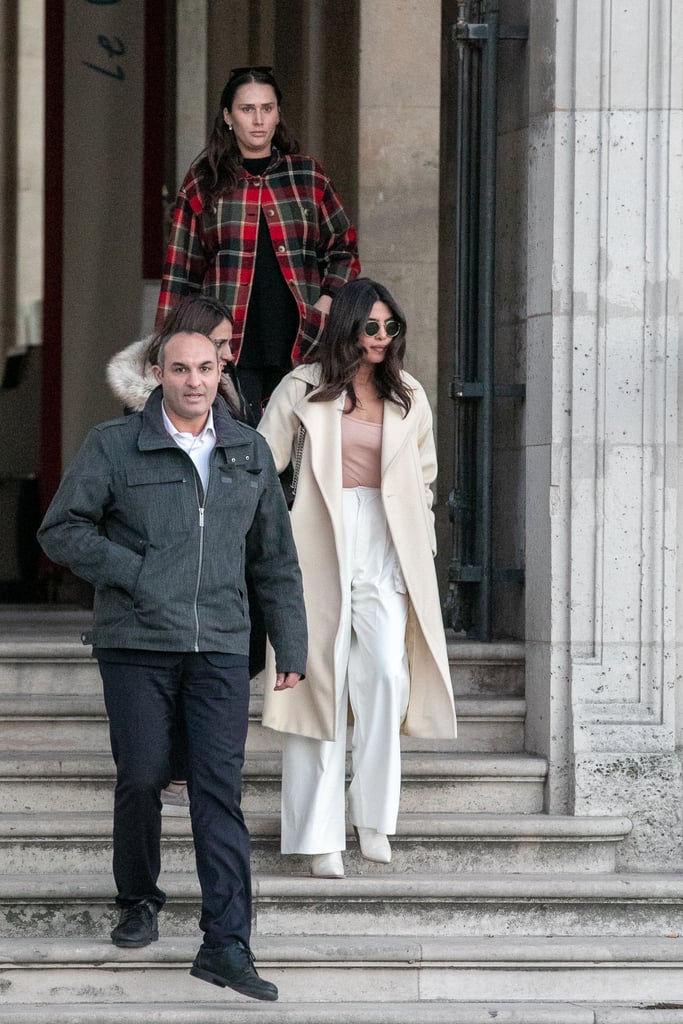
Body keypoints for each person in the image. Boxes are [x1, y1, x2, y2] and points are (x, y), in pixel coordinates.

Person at [38, 325, 307, 1001]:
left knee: (219, 790)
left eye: (206, 369)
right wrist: (134, 570)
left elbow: (275, 559)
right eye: (181, 369)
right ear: (158, 373)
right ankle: (138, 897)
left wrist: (291, 646)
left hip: (219, 644)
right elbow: (61, 528)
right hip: (135, 644)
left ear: (222, 373)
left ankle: (227, 944)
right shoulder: (114, 444)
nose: (194, 381)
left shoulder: (248, 452)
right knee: (142, 775)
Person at [258, 278, 457, 879]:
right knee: (318, 682)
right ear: (345, 325)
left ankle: (372, 817)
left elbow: (422, 479)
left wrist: (420, 544)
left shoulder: (409, 393)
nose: (381, 338)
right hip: (318, 537)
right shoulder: (301, 387)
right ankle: (317, 833)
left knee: (386, 676)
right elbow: (264, 465)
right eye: (371, 327)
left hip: (387, 544)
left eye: (390, 327)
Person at [106, 294, 249, 815]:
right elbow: (82, 521)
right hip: (145, 620)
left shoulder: (232, 407)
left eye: (220, 355)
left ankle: (187, 761)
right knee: (143, 770)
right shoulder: (129, 425)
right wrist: (139, 571)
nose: (227, 357)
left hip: (218, 604)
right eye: (220, 344)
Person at [155, 64, 360, 426]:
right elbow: (180, 275)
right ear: (228, 117)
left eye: (267, 108)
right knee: (234, 452)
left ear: (278, 114)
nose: (259, 119)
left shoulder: (307, 176)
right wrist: (164, 348)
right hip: (226, 348)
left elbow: (344, 248)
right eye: (247, 109)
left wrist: (326, 303)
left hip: (303, 342)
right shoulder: (203, 182)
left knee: (297, 457)